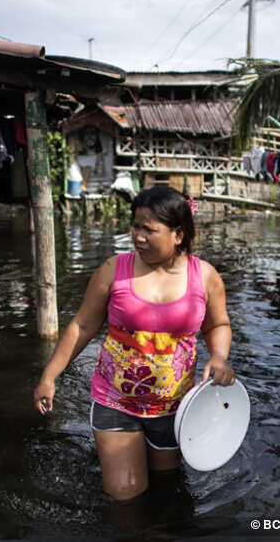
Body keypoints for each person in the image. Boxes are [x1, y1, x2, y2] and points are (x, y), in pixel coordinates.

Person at [33, 185, 235, 501]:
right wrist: (50, 376)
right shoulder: (113, 271)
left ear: (178, 235)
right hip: (116, 400)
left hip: (175, 407)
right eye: (135, 227)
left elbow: (218, 324)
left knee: (166, 485)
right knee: (125, 495)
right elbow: (82, 325)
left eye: (148, 230)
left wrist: (219, 356)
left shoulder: (205, 277)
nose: (138, 237)